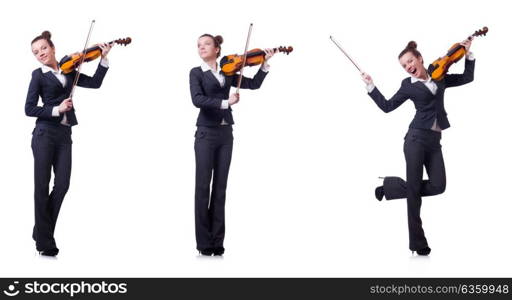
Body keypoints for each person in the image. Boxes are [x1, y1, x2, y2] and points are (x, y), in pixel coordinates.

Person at [361, 39, 475, 255]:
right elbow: (387, 106)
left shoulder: (439, 75)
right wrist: (371, 85)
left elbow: (468, 77)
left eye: (410, 61)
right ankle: (418, 244)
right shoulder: (408, 86)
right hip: (415, 139)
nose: (408, 67)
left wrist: (468, 54)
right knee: (414, 196)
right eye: (404, 65)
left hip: (435, 142)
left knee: (439, 185)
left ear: (420, 58)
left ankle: (389, 187)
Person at [26, 30, 112, 256]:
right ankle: (45, 243)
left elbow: (95, 83)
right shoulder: (38, 75)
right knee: (42, 187)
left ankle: (40, 230)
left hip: (64, 135)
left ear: (53, 48)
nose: (40, 54)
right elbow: (29, 108)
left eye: (43, 48)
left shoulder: (69, 70)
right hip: (44, 134)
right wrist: (57, 109)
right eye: (36, 52)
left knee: (62, 184)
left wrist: (103, 58)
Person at [189, 33, 275, 256]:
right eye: (199, 45)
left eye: (207, 44)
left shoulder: (229, 71)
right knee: (202, 188)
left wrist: (264, 65)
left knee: (220, 189)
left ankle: (217, 243)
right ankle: (204, 244)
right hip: (206, 134)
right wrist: (226, 102)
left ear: (217, 49)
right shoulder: (196, 73)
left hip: (226, 133)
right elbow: (197, 100)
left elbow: (254, 84)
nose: (202, 47)